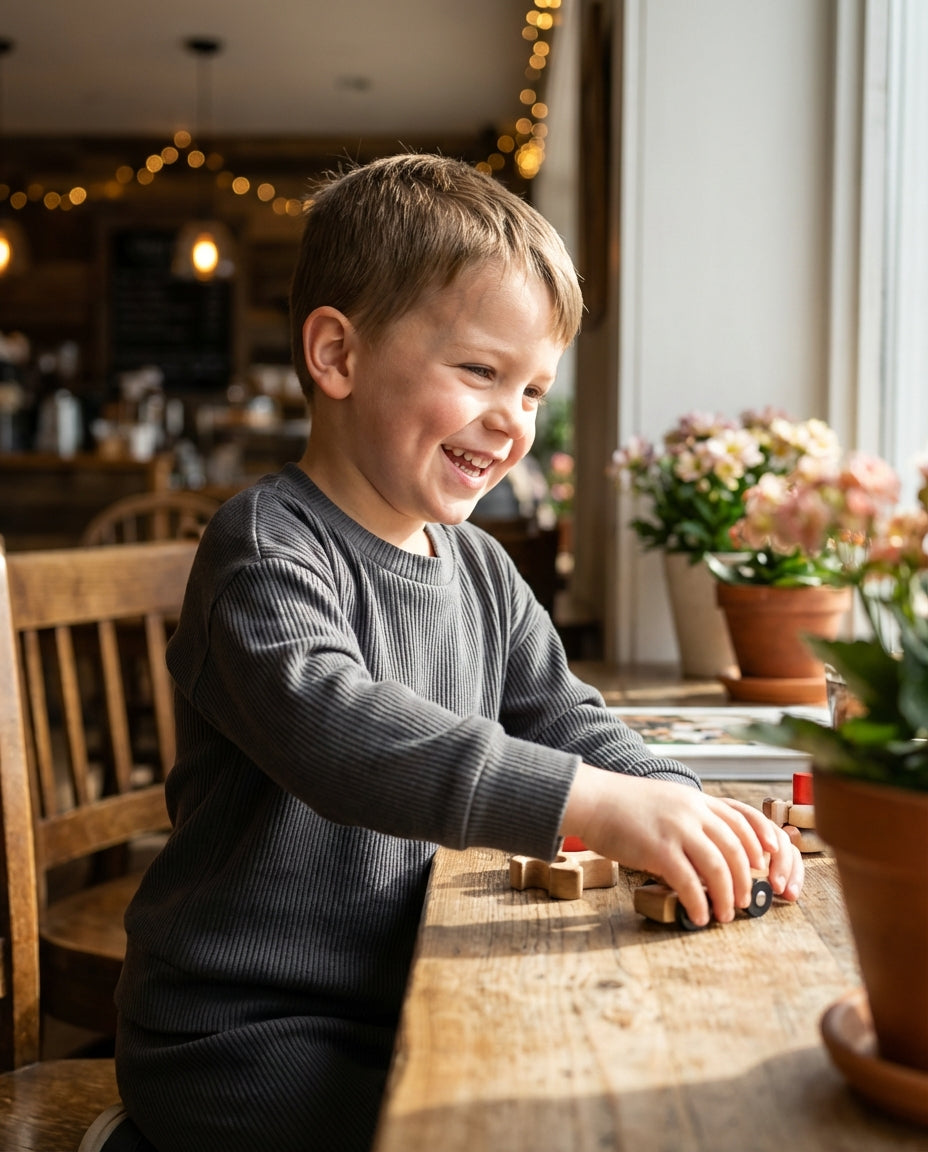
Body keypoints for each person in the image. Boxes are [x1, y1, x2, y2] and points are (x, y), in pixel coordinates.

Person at [101, 154, 803, 1152]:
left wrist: (686, 805)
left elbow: (565, 716)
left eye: (531, 389)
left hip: (407, 989)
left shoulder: (478, 565)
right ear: (336, 356)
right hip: (247, 1035)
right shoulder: (264, 547)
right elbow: (340, 732)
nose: (511, 420)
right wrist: (596, 806)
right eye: (479, 371)